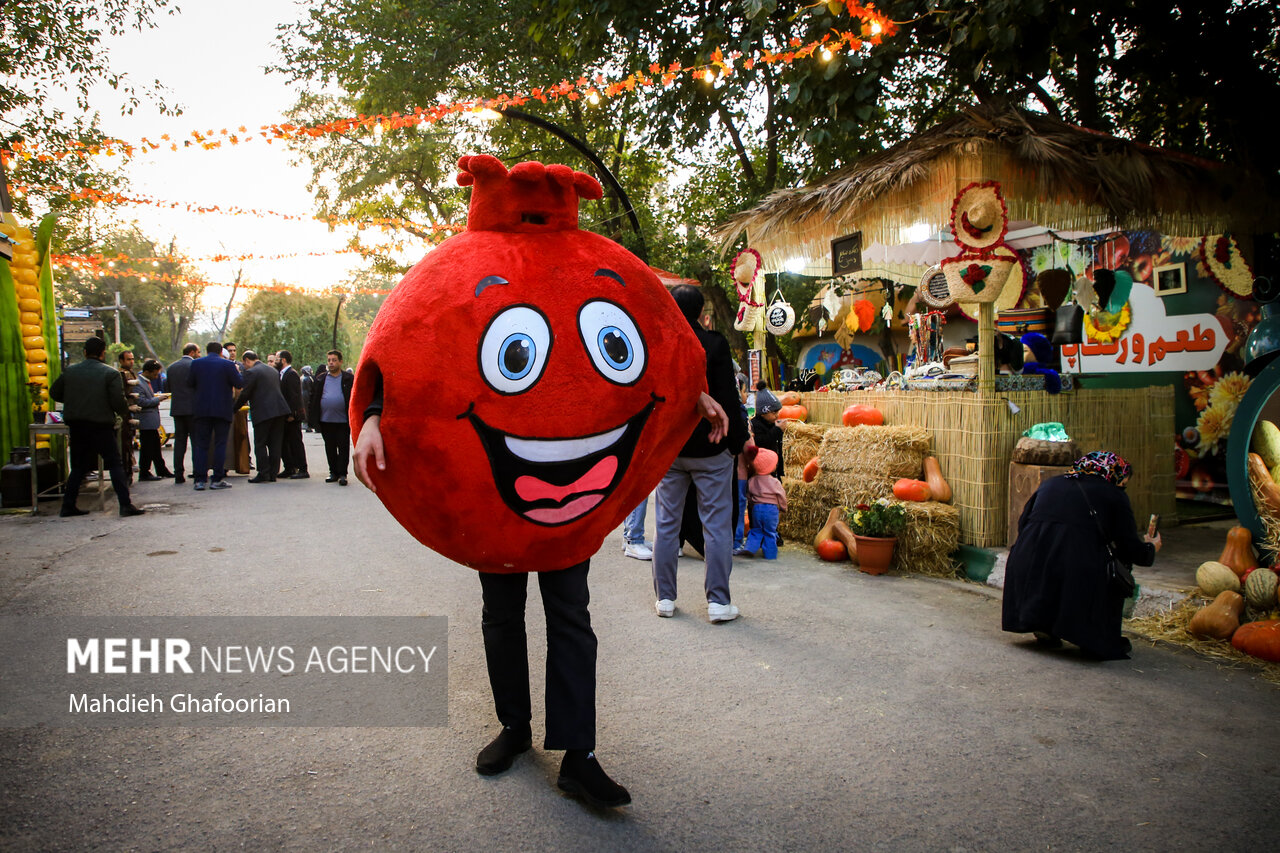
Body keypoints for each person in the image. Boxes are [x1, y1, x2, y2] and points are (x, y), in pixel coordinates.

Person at [1002, 451, 1162, 660]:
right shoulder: (1114, 495)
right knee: (1103, 563)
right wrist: (1151, 548)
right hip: (1075, 570)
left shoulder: (1050, 484)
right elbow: (1130, 547)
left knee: (1055, 556)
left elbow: (1024, 525)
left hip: (1025, 561)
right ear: (1113, 475)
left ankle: (1043, 623)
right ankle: (1093, 637)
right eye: (1123, 482)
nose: (1123, 487)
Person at [651, 284, 749, 622]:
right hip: (712, 448)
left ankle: (665, 598)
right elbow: (727, 396)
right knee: (717, 526)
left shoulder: (660, 345)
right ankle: (719, 603)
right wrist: (737, 441)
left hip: (672, 450)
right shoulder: (714, 343)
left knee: (666, 524)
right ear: (700, 312)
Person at [49, 336, 144, 517]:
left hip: (76, 425)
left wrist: (73, 400)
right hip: (101, 425)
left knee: (78, 466)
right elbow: (118, 402)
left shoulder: (70, 371)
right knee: (114, 463)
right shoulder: (110, 373)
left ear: (85, 352)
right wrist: (123, 411)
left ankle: (68, 505)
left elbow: (55, 392)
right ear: (103, 353)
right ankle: (125, 505)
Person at [187, 341, 244, 491]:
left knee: (201, 445)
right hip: (222, 410)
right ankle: (217, 478)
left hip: (201, 410)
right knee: (220, 444)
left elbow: (190, 383)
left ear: (206, 351)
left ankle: (200, 480)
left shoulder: (196, 364)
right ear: (221, 352)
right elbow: (239, 383)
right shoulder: (227, 365)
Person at [233, 351, 291, 483]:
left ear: (247, 360)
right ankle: (272, 473)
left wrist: (234, 408)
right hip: (279, 411)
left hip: (263, 412)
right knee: (275, 443)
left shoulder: (252, 372)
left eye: (244, 363)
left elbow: (245, 393)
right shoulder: (272, 371)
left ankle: (263, 472)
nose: (244, 366)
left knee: (260, 443)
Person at [308, 350, 354, 485]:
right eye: (329, 360)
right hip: (326, 420)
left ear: (340, 361)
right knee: (330, 447)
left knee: (343, 447)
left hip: (343, 420)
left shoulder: (348, 378)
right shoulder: (320, 379)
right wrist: (312, 418)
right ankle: (333, 472)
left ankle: (342, 474)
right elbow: (313, 398)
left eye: (334, 360)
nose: (331, 363)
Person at [740, 447, 786, 559]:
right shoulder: (775, 482)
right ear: (771, 467)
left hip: (757, 509)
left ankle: (749, 548)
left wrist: (751, 504)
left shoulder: (752, 480)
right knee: (770, 532)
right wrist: (783, 507)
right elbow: (781, 495)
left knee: (756, 530)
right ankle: (770, 554)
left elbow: (749, 495)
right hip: (771, 510)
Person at [165, 342, 199, 484]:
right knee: (196, 441)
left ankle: (178, 473)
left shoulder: (171, 367)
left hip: (177, 409)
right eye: (198, 352)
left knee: (180, 442)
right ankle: (197, 471)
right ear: (192, 352)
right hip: (193, 409)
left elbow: (167, 387)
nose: (199, 355)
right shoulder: (195, 366)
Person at [134, 359, 172, 480]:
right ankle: (144, 472)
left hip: (151, 421)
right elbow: (141, 401)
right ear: (147, 372)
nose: (156, 377)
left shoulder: (146, 382)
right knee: (147, 448)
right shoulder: (139, 384)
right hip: (146, 421)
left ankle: (161, 469)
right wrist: (157, 399)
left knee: (155, 447)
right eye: (154, 374)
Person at [277, 350, 309, 479]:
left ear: (283, 360)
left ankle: (302, 468)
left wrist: (291, 413)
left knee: (295, 442)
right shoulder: (282, 374)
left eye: (277, 358)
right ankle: (289, 467)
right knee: (285, 442)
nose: (275, 361)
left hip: (292, 416)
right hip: (285, 415)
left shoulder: (291, 374)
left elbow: (294, 396)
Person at [117, 349, 140, 484]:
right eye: (128, 359)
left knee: (129, 443)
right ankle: (126, 473)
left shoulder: (131, 373)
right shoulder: (120, 375)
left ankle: (129, 470)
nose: (131, 362)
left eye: (132, 359)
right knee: (125, 445)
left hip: (131, 412)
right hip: (124, 414)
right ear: (121, 361)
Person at [300, 365, 315, 432]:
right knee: (307, 409)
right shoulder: (308, 378)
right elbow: (310, 388)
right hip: (306, 395)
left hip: (302, 395)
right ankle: (307, 424)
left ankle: (305, 423)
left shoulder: (301, 378)